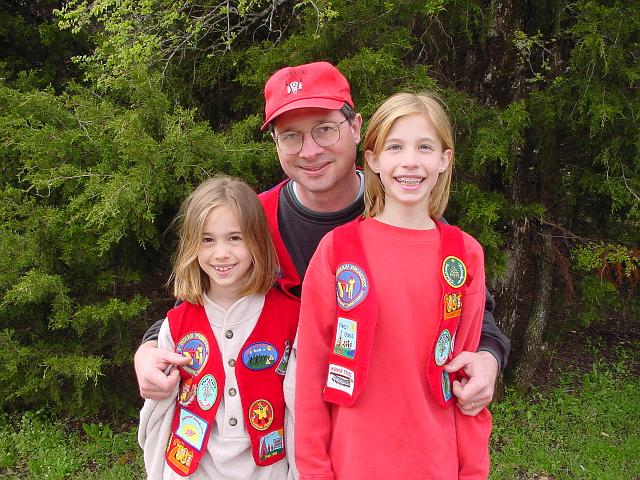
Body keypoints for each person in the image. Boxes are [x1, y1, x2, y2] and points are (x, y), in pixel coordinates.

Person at [134, 61, 509, 415]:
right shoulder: (252, 221)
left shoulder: (407, 213)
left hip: (375, 420)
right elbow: (200, 301)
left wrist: (488, 359)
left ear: (356, 127)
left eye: (325, 129)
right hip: (279, 427)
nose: (309, 151)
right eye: (291, 137)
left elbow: (472, 307)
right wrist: (150, 349)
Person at [295, 92, 492, 479]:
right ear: (373, 160)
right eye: (395, 146)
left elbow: (465, 377)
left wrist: (472, 470)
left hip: (435, 462)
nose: (410, 161)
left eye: (424, 147)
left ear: (444, 160)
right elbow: (312, 372)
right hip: (354, 461)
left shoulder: (464, 255)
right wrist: (315, 470)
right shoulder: (338, 250)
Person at [138, 176, 299, 479]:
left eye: (235, 238)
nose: (221, 253)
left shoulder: (291, 317)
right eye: (207, 239)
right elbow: (158, 415)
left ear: (258, 241)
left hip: (267, 471)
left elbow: (299, 412)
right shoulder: (177, 323)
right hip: (193, 470)